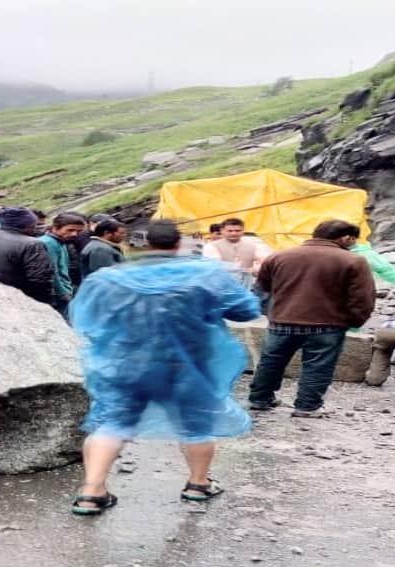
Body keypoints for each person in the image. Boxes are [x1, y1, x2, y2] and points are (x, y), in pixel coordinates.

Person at [68, 220, 262, 516]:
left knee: (111, 423)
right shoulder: (206, 274)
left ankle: (92, 493)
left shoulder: (107, 278)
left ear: (140, 245)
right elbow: (246, 309)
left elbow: (84, 318)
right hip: (189, 364)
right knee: (196, 423)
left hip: (124, 363)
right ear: (177, 245)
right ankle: (198, 485)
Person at [248, 220, 377, 418]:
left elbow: (261, 289)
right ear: (346, 238)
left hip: (282, 321)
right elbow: (362, 298)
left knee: (271, 362)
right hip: (328, 325)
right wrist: (354, 321)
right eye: (353, 239)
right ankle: (307, 407)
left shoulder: (279, 256)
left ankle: (259, 400)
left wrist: (272, 313)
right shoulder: (353, 261)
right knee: (318, 366)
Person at [0, 207, 54, 304]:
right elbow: (40, 279)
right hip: (18, 300)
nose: (36, 227)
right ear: (28, 224)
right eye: (34, 224)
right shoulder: (32, 244)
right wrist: (44, 304)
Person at [202, 217, 273, 288]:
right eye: (230, 231)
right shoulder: (211, 246)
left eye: (237, 230)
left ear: (243, 231)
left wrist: (258, 268)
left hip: (247, 287)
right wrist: (246, 269)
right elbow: (215, 265)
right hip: (221, 287)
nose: (233, 233)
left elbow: (265, 261)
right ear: (222, 231)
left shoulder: (253, 245)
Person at [39, 213, 87, 317]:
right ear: (56, 228)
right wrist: (62, 292)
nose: (75, 234)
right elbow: (52, 271)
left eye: (79, 231)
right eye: (70, 230)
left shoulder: (61, 241)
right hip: (57, 294)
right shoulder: (49, 243)